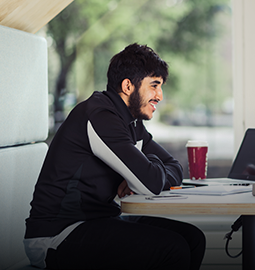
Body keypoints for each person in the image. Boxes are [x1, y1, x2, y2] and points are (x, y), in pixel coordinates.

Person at [24, 43, 206, 270]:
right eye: (154, 85)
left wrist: (139, 172)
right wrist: (140, 172)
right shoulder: (99, 115)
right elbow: (150, 184)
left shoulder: (131, 122)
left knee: (192, 238)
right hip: (58, 233)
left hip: (100, 220)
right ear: (128, 85)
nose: (159, 95)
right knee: (172, 247)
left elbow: (174, 168)